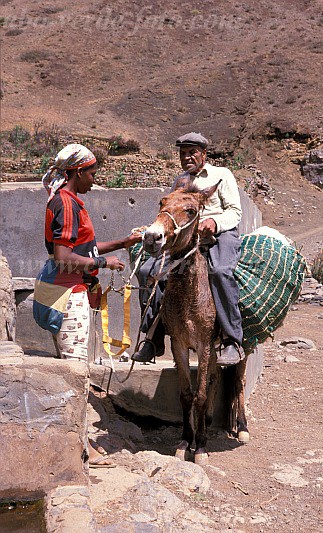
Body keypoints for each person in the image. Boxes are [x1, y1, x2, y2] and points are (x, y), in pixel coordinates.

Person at [33, 143, 142, 468]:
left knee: (71, 368)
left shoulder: (66, 201)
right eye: (92, 173)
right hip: (68, 293)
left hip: (58, 289)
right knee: (76, 373)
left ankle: (70, 443)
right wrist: (105, 264)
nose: (95, 180)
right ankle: (78, 448)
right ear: (78, 172)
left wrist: (122, 243)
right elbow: (64, 258)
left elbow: (85, 248)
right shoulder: (66, 204)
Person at [132, 132, 245, 366]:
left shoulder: (222, 175)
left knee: (220, 272)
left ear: (204, 154)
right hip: (187, 237)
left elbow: (234, 211)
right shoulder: (180, 181)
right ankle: (153, 338)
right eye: (183, 153)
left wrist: (214, 223)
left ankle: (232, 341)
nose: (187, 157)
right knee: (148, 272)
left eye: (192, 152)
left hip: (219, 234)